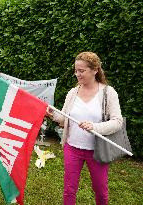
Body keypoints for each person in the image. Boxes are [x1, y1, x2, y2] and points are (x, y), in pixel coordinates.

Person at [46, 52, 123, 205]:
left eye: (81, 71)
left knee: (100, 190)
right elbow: (65, 119)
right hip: (72, 148)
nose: (77, 74)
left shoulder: (108, 93)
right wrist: (53, 115)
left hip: (97, 151)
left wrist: (95, 127)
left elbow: (117, 122)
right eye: (76, 70)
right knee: (69, 189)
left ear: (95, 70)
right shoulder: (72, 92)